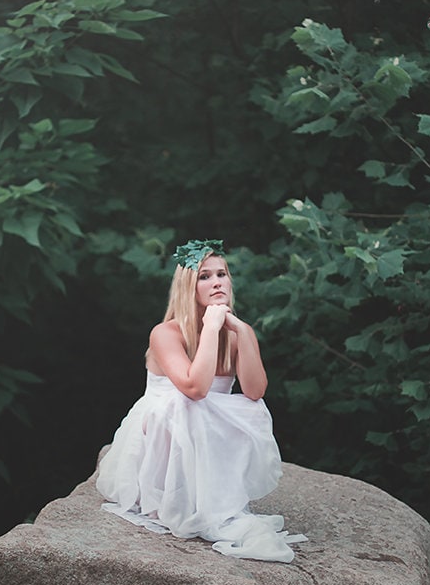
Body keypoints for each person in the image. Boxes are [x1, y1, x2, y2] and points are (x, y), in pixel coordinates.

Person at [96, 239, 306, 563]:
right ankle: (173, 498)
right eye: (205, 277)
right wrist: (210, 328)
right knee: (187, 405)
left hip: (206, 433)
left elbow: (255, 391)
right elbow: (194, 388)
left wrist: (243, 332)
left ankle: (214, 496)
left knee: (251, 409)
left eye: (222, 274)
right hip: (163, 431)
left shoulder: (235, 334)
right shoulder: (165, 333)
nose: (217, 282)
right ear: (188, 287)